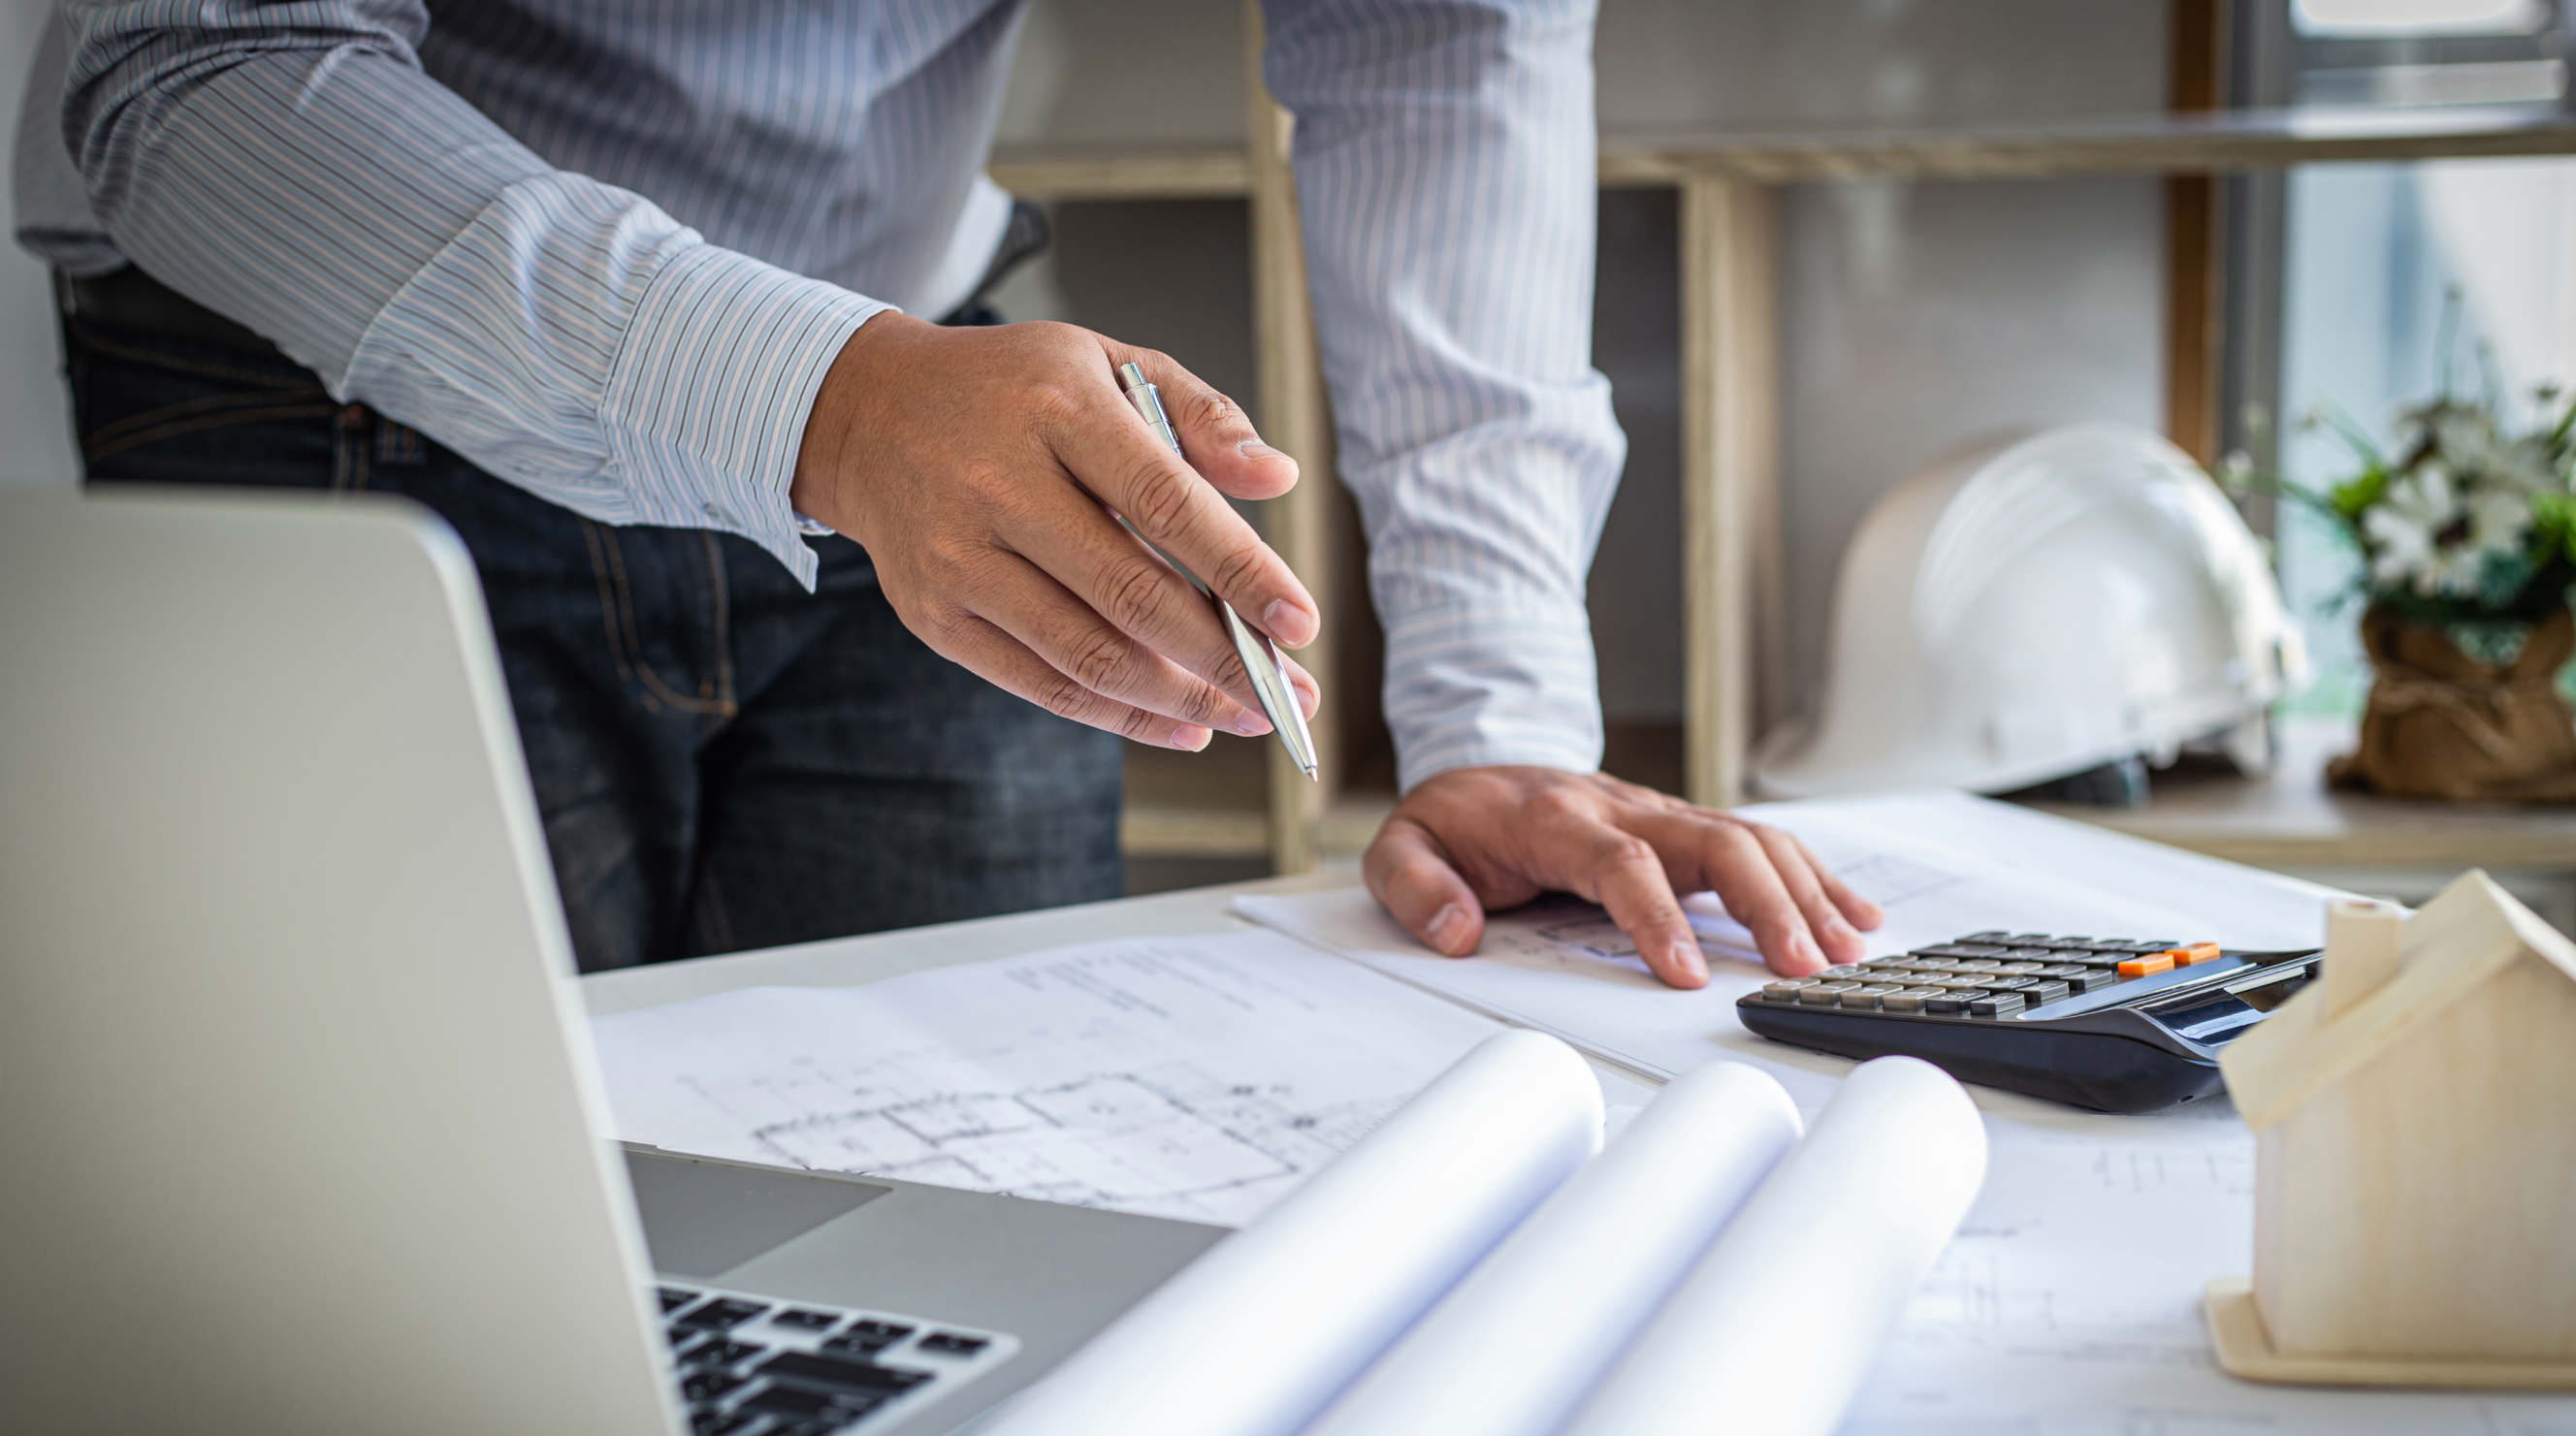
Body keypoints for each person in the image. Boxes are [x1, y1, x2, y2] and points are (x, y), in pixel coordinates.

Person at [16, 0, 1880, 982]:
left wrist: (1493, 715)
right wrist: (813, 397)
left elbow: (1434, 38)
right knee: (413, 1335)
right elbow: (198, 56)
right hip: (327, 383)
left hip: (927, 388)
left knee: (977, 1262)